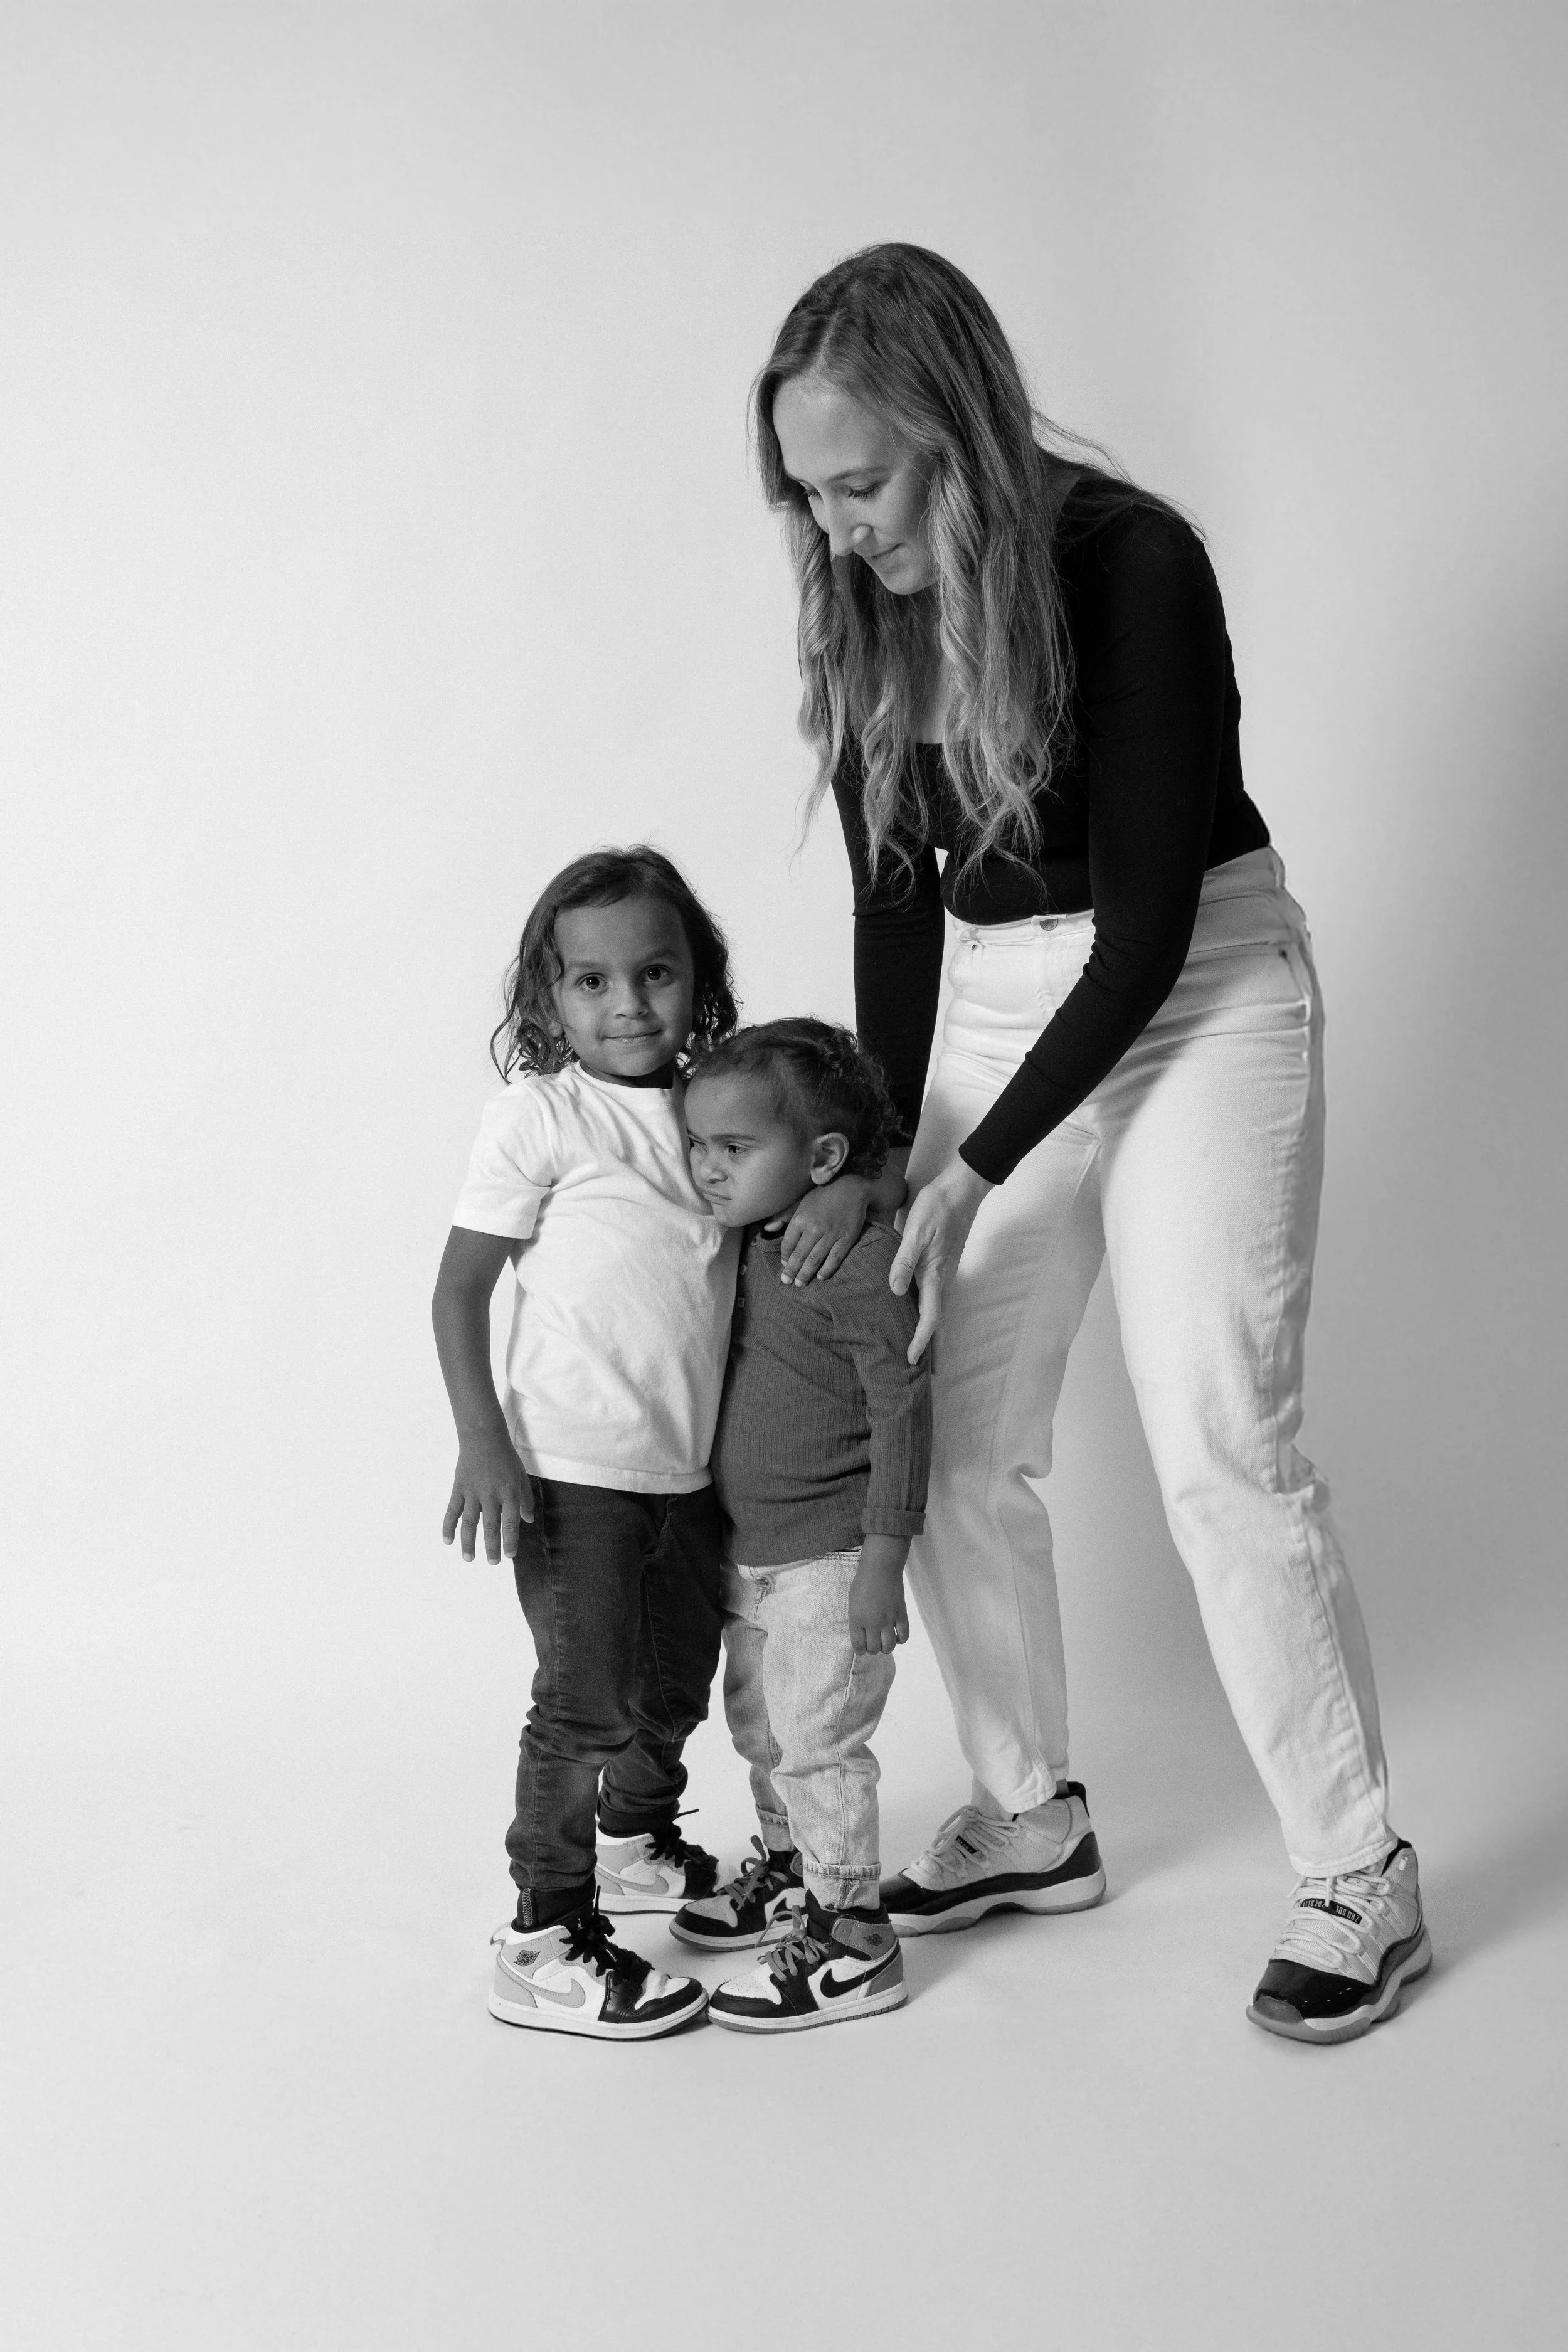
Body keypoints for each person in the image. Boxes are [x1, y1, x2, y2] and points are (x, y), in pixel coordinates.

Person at [748, 243, 1430, 2044]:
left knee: (1217, 1427)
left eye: (862, 483)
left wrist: (971, 1171)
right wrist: (890, 1152)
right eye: (805, 492)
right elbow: (903, 905)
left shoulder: (1131, 566)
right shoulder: (866, 601)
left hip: (1199, 976)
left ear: (953, 432)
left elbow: (1135, 939)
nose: (833, 528)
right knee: (953, 1408)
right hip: (1000, 982)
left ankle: (1358, 1868)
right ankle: (1029, 1807)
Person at [432, 845, 740, 2042]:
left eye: (655, 973)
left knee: (674, 1685)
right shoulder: (544, 1113)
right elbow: (458, 1290)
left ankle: (632, 1844)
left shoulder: (719, 1110)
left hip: (688, 1469)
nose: (628, 1005)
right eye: (593, 982)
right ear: (549, 997)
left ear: (695, 979)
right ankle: (546, 1929)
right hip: (572, 1472)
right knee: (584, 1703)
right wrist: (484, 1441)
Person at [670, 1019, 930, 2032]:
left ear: (822, 1160)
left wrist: (885, 1557)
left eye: (734, 1150)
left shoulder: (853, 1259)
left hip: (830, 1554)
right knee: (765, 1729)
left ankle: (853, 1930)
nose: (708, 1168)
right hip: (750, 1554)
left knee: (821, 1739)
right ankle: (792, 1870)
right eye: (699, 1145)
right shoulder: (742, 1238)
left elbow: (905, 1402)